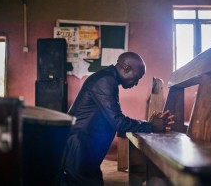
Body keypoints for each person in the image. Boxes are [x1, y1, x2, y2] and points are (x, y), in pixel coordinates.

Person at [59, 52, 174, 186]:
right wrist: (151, 126)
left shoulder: (108, 79)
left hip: (83, 147)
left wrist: (148, 124)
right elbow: (118, 122)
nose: (136, 83)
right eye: (136, 78)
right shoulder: (105, 81)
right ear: (126, 68)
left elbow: (115, 120)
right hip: (78, 148)